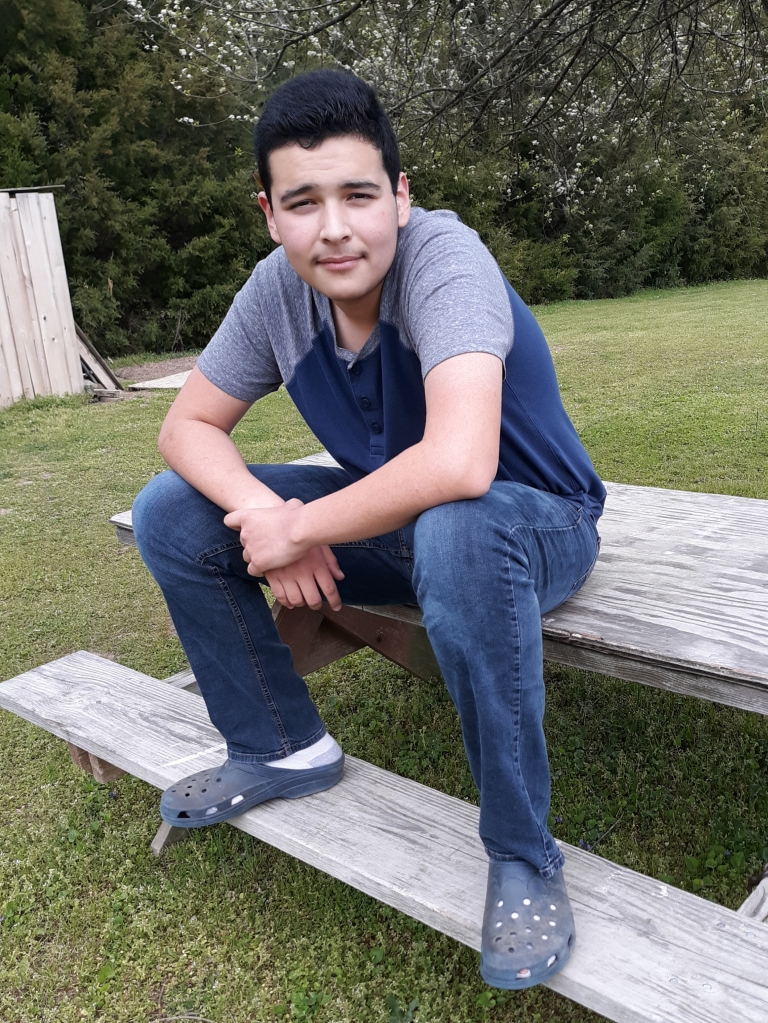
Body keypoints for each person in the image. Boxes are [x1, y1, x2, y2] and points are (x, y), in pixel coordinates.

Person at [132, 69, 605, 990]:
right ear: (269, 213)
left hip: (535, 520)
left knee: (460, 529)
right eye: (303, 202)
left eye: (358, 194)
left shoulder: (446, 261)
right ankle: (281, 744)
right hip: (406, 521)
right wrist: (269, 516)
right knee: (171, 510)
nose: (335, 227)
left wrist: (305, 522)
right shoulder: (276, 293)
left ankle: (523, 852)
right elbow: (185, 427)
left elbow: (462, 464)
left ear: (400, 196)